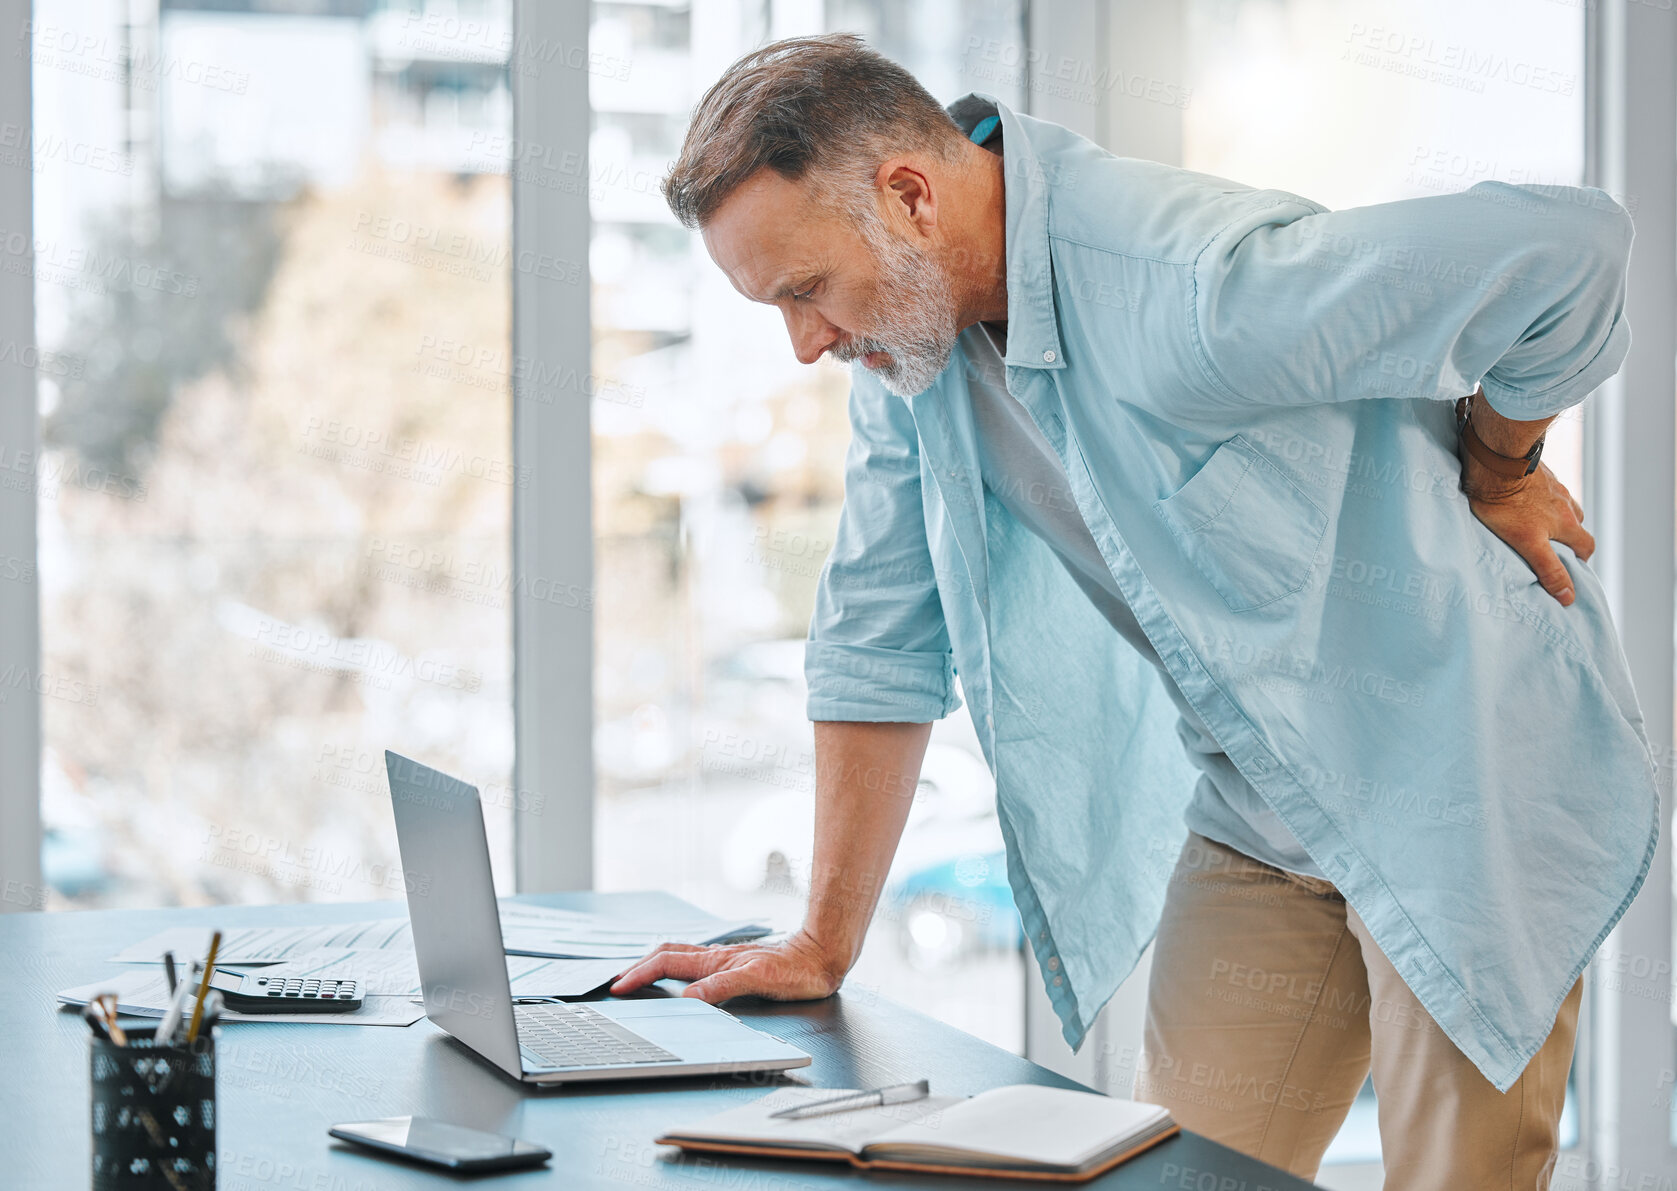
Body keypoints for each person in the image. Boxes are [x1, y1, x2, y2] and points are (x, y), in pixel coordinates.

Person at [611, 33, 1655, 1188]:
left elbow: (1575, 248)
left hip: (1464, 781)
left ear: (910, 196)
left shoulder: (1193, 285)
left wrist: (1503, 464)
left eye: (805, 291)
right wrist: (822, 941)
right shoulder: (909, 358)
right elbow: (879, 631)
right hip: (1263, 811)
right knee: (1182, 1173)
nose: (807, 343)